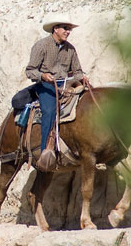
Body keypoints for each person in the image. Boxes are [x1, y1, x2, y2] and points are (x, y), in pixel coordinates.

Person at [25, 14, 88, 162]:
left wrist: (82, 77)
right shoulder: (41, 46)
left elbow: (77, 71)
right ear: (55, 29)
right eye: (65, 28)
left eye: (69, 29)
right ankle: (45, 151)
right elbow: (30, 70)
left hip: (66, 84)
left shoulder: (71, 49)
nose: (68, 32)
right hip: (46, 85)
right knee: (49, 110)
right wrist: (43, 76)